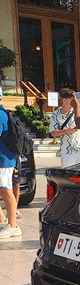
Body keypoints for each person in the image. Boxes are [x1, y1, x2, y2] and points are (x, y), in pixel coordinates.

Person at [0, 96, 21, 238]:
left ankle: (13, 226)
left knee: (6, 190)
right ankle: (3, 221)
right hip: (4, 159)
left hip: (4, 160)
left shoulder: (0, 115)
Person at [49, 88, 80, 167]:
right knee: (68, 175)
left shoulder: (79, 111)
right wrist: (67, 131)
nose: (74, 101)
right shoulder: (55, 115)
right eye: (71, 99)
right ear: (64, 100)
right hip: (67, 151)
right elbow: (53, 132)